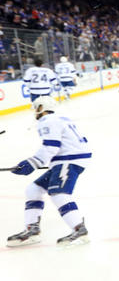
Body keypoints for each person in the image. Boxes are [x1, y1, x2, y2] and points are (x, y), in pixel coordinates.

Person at [7, 96, 91, 247]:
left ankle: (80, 230)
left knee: (59, 193)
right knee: (34, 189)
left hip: (68, 160)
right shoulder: (61, 118)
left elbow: (51, 147)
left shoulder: (47, 121)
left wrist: (31, 164)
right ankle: (32, 229)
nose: (35, 112)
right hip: (66, 159)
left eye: (36, 108)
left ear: (41, 108)